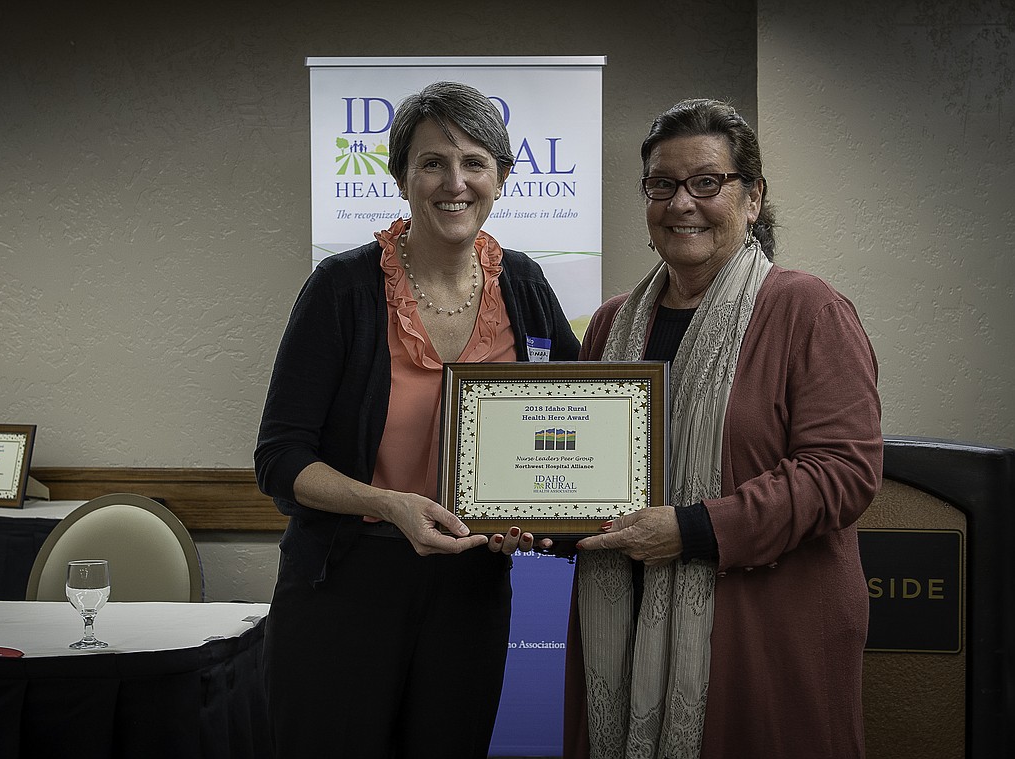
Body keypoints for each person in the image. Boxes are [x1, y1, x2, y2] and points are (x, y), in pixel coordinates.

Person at [254, 80, 580, 759]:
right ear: (402, 177)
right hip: (345, 588)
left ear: (503, 177)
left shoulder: (524, 286)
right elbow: (280, 459)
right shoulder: (342, 289)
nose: (453, 182)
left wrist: (543, 515)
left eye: (474, 163)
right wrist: (389, 504)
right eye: (432, 162)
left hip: (470, 591)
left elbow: (575, 423)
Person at [563, 98, 883, 759]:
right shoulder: (610, 325)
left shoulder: (808, 310)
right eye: (662, 185)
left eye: (706, 182)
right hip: (621, 630)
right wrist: (541, 520)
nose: (682, 203)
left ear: (752, 197)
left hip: (766, 630)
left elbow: (843, 474)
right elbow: (587, 476)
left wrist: (693, 530)